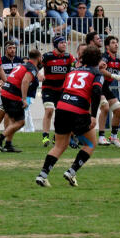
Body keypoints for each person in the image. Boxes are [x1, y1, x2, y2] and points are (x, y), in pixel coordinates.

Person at [35, 45, 103, 188]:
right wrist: (93, 116)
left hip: (62, 108)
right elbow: (96, 91)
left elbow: (64, 89)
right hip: (78, 111)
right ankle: (71, 172)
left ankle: (42, 175)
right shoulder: (96, 73)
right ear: (98, 59)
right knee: (90, 144)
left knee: (60, 145)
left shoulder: (73, 72)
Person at [0, 49, 41, 152]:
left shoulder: (23, 65)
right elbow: (25, 81)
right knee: (21, 122)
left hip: (5, 92)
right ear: (39, 58)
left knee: (14, 121)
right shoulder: (32, 68)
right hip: (12, 95)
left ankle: (8, 144)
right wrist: (24, 99)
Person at [40, 36, 75, 146]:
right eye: (61, 43)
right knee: (49, 110)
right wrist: (38, 74)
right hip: (48, 89)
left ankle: (57, 136)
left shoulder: (69, 57)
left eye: (65, 42)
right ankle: (45, 137)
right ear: (55, 45)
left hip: (63, 90)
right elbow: (34, 66)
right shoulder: (47, 56)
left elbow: (77, 67)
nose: (64, 44)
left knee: (62, 114)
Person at [98, 35, 120, 147]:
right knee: (105, 107)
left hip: (105, 88)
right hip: (97, 86)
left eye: (117, 42)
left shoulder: (118, 59)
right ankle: (101, 136)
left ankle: (113, 137)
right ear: (107, 46)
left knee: (119, 111)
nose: (116, 44)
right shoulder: (104, 57)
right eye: (113, 42)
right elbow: (101, 69)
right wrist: (116, 76)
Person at [0, 41, 23, 137]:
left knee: (2, 113)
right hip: (3, 90)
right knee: (6, 112)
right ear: (5, 49)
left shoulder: (19, 60)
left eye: (14, 48)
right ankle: (6, 135)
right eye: (10, 48)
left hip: (14, 91)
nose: (13, 50)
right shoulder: (1, 60)